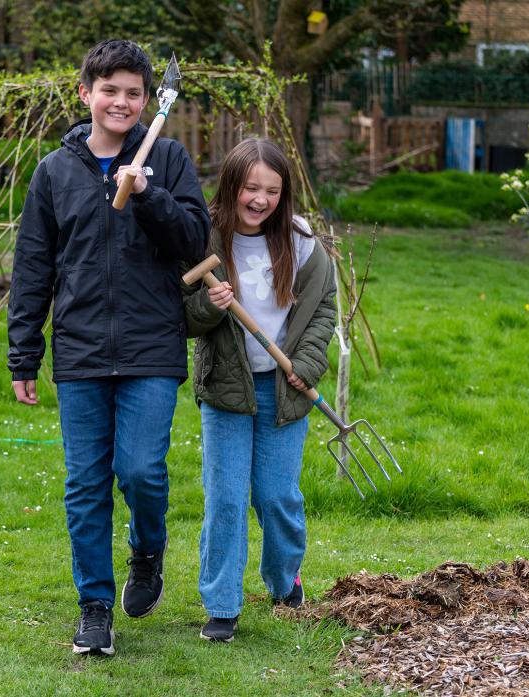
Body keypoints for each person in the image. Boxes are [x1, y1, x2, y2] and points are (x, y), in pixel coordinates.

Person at [7, 39, 209, 656]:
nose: (121, 102)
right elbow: (34, 265)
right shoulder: (54, 172)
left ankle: (147, 551)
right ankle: (94, 605)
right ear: (85, 94)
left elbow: (196, 239)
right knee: (85, 482)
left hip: (151, 345)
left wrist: (147, 194)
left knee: (142, 470)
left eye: (133, 93)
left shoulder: (167, 158)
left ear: (147, 100)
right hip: (81, 348)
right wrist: (24, 353)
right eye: (110, 90)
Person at [182, 138, 336, 643]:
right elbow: (179, 316)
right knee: (225, 497)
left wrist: (309, 363)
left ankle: (284, 582)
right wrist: (211, 307)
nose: (260, 199)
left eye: (272, 190)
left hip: (284, 388)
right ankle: (222, 604)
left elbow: (322, 311)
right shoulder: (202, 239)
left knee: (276, 497)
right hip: (227, 387)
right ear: (232, 185)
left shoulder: (302, 244)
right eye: (251, 187)